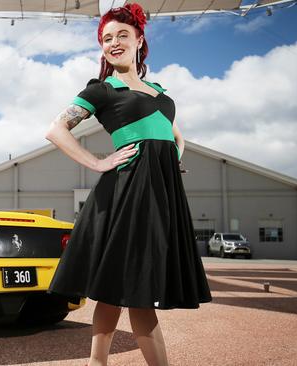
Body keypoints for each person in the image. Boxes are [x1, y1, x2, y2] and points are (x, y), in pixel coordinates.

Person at [46, 4, 212, 366]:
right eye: (107, 38)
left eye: (122, 35)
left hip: (159, 197)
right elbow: (55, 129)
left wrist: (171, 161)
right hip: (125, 195)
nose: (114, 43)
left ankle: (96, 363)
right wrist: (99, 163)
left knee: (116, 288)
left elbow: (175, 136)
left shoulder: (160, 93)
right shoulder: (103, 90)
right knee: (134, 290)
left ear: (140, 40)